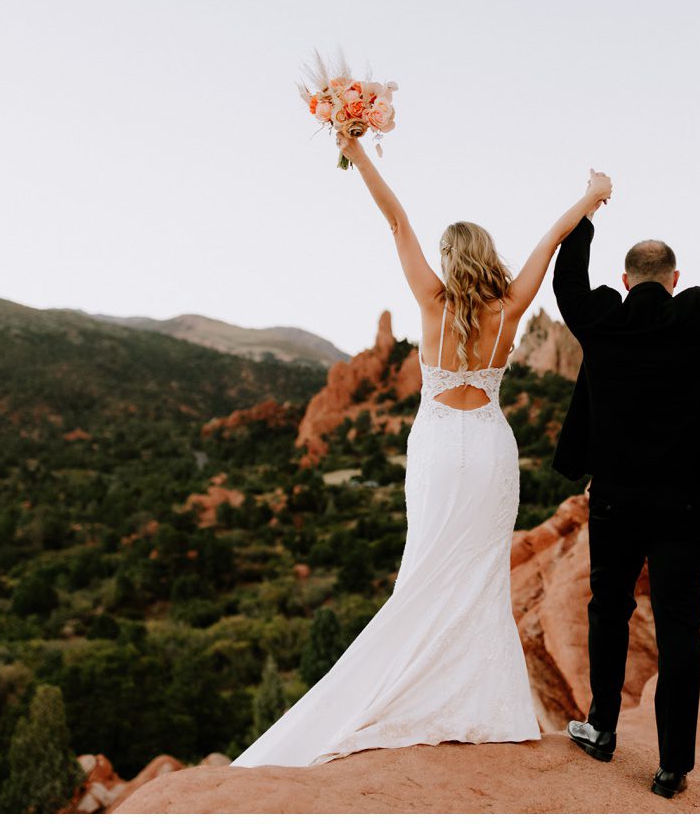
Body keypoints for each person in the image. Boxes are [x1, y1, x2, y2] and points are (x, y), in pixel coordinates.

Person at [230, 135, 612, 768]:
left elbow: (396, 219)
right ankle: (481, 706)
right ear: (487, 257)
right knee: (480, 574)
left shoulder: (432, 302)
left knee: (426, 567)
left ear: (449, 259)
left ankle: (407, 688)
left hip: (437, 448)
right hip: (490, 447)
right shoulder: (510, 307)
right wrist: (592, 197)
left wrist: (356, 150)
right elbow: (551, 241)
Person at [551, 197, 700, 798]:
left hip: (614, 500)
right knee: (680, 626)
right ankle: (671, 768)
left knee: (609, 609)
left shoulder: (601, 318)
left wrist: (588, 211)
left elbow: (567, 279)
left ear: (625, 280)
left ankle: (601, 729)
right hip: (684, 504)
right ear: (674, 278)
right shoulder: (699, 316)